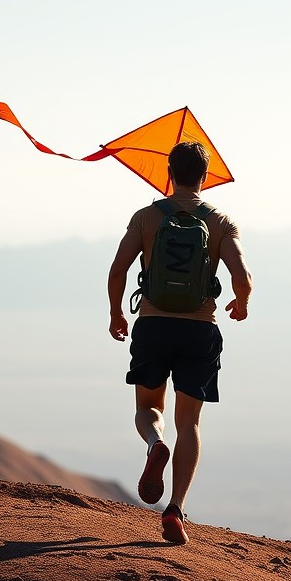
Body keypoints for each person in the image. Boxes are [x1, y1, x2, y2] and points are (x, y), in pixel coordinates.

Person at [107, 141, 253, 545]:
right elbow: (242, 277)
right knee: (189, 422)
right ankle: (175, 508)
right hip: (199, 331)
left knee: (149, 408)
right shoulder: (221, 222)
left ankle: (155, 444)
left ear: (168, 173)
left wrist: (116, 314)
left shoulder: (146, 217)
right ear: (205, 177)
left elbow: (118, 269)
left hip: (153, 327)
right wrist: (240, 304)